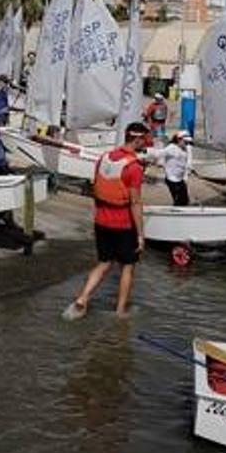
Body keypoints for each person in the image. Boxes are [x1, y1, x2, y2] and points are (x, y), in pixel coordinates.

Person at [62, 122, 149, 320]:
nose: (145, 143)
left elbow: (96, 189)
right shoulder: (134, 168)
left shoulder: (103, 158)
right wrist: (141, 235)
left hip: (101, 221)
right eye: (144, 139)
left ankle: (83, 298)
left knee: (103, 263)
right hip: (123, 224)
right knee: (127, 267)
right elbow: (135, 202)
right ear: (137, 139)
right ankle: (120, 312)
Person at [150, 130, 192, 206]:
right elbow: (159, 153)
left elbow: (188, 162)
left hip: (181, 179)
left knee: (185, 200)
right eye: (185, 142)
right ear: (179, 140)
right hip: (172, 179)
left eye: (188, 142)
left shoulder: (187, 148)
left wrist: (187, 175)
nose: (187, 144)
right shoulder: (171, 148)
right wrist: (147, 151)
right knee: (179, 201)